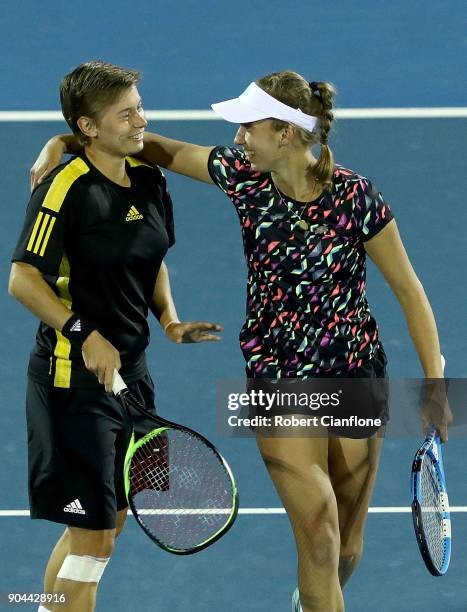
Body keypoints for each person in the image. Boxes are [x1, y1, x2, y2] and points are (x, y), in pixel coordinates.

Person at [31, 70, 448, 612]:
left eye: (248, 127)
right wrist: (64, 140)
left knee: (344, 548)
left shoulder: (356, 197)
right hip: (275, 374)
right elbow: (155, 148)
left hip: (354, 373)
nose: (237, 137)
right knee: (319, 532)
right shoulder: (242, 177)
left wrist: (437, 382)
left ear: (285, 133)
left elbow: (410, 292)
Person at [9, 61, 222, 612]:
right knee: (94, 535)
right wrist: (84, 333)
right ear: (88, 127)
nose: (140, 120)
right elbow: (22, 278)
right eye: (125, 113)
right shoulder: (65, 188)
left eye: (140, 108)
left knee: (108, 527)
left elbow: (150, 261)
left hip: (131, 377)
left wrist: (170, 321)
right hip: (71, 380)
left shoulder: (149, 181)